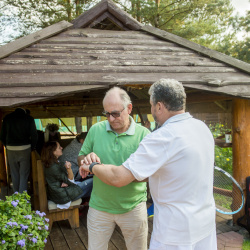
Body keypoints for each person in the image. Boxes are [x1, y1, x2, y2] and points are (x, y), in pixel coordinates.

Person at [80, 79, 217, 250]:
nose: (151, 111)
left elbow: (118, 178)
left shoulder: (161, 137)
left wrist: (92, 167)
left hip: (175, 231)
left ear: (159, 106)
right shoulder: (201, 128)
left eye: (152, 106)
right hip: (204, 223)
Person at [77, 87, 150, 250]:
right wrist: (86, 160)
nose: (111, 118)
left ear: (129, 108)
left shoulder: (144, 135)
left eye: (115, 113)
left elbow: (150, 174)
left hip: (133, 207)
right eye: (107, 113)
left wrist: (118, 175)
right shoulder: (96, 129)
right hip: (99, 207)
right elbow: (80, 157)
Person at [41, 141, 93, 209]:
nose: (62, 148)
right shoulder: (53, 167)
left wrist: (63, 183)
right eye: (59, 147)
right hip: (64, 196)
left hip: (61, 193)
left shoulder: (52, 163)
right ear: (53, 151)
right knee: (94, 181)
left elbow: (65, 180)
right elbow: (70, 181)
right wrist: (69, 169)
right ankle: (94, 206)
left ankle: (89, 204)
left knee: (89, 183)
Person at [0, 108, 38, 193]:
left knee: (14, 173)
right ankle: (23, 199)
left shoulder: (7, 118)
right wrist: (32, 147)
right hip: (25, 148)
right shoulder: (29, 118)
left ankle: (16, 197)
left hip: (10, 148)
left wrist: (7, 146)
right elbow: (34, 136)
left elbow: (2, 136)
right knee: (24, 174)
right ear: (25, 111)